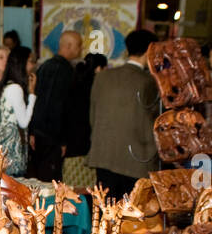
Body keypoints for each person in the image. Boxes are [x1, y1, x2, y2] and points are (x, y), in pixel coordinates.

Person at [89, 29, 159, 200]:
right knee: (131, 217)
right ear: (150, 50)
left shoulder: (103, 77)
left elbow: (93, 116)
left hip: (103, 154)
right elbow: (155, 121)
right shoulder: (149, 82)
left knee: (106, 212)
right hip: (136, 159)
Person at [28, 30, 81, 181]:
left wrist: (32, 131)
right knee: (50, 182)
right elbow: (60, 107)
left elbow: (36, 100)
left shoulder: (44, 66)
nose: (80, 50)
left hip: (38, 133)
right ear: (69, 46)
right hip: (52, 137)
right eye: (79, 46)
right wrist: (62, 140)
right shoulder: (66, 71)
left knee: (38, 179)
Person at [0, 45, 36, 177]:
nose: (33, 65)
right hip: (11, 155)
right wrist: (32, 95)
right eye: (31, 61)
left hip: (1, 153)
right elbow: (24, 122)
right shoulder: (15, 88)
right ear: (22, 63)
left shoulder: (7, 86)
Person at [62, 51, 107, 186]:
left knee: (73, 188)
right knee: (91, 189)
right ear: (99, 69)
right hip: (87, 145)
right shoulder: (96, 88)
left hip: (72, 144)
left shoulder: (74, 83)